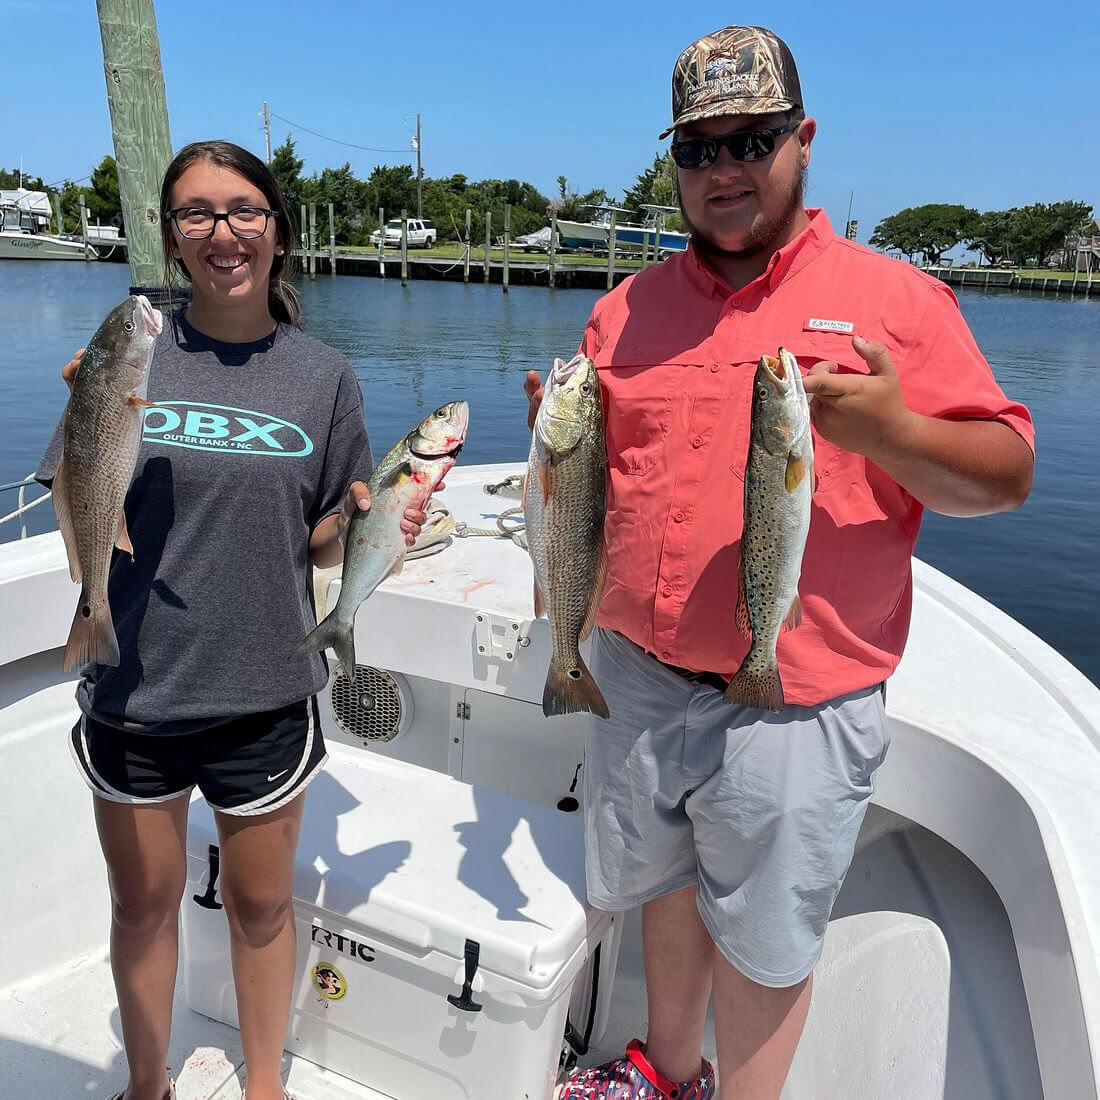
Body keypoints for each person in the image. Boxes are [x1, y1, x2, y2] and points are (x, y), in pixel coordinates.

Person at [524, 25, 1035, 1100]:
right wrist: (558, 450)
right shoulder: (625, 309)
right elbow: (603, 491)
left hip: (793, 693)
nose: (722, 170)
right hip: (637, 672)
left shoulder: (898, 301)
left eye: (749, 139)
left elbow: (1003, 474)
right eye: (697, 149)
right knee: (663, 886)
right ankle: (667, 1068)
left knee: (762, 940)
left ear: (801, 140)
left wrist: (893, 431)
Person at [37, 141, 436, 1100]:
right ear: (174, 238)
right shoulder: (123, 353)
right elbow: (72, 488)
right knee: (143, 907)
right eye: (197, 214)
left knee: (262, 907)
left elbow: (321, 544)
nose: (223, 233)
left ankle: (266, 1087)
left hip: (264, 687)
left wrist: (368, 520)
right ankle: (147, 1085)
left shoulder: (324, 377)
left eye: (245, 210)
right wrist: (93, 430)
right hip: (134, 683)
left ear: (278, 232)